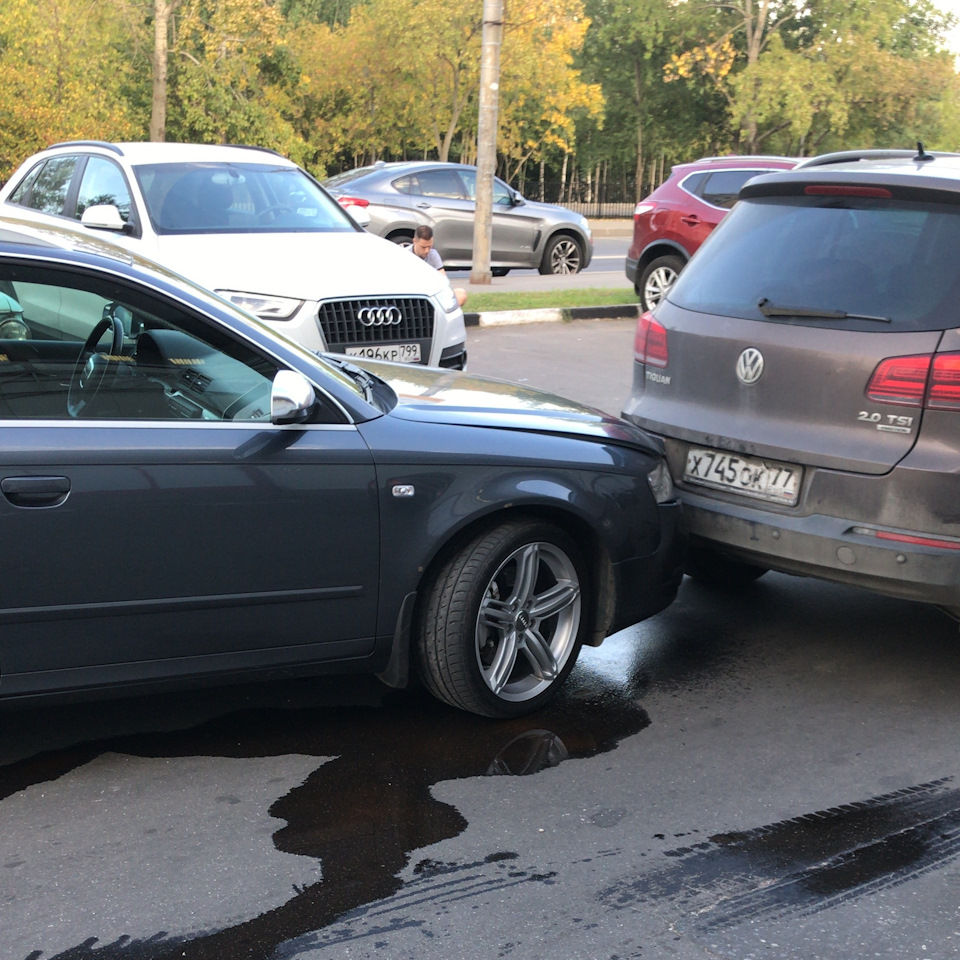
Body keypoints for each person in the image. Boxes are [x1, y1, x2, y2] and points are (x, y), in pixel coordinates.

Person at [411, 225, 467, 308]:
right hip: (413, 296)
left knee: (461, 294)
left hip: (431, 294)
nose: (427, 251)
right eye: (423, 247)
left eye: (429, 246)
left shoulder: (433, 254)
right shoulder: (405, 255)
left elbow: (444, 280)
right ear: (415, 241)